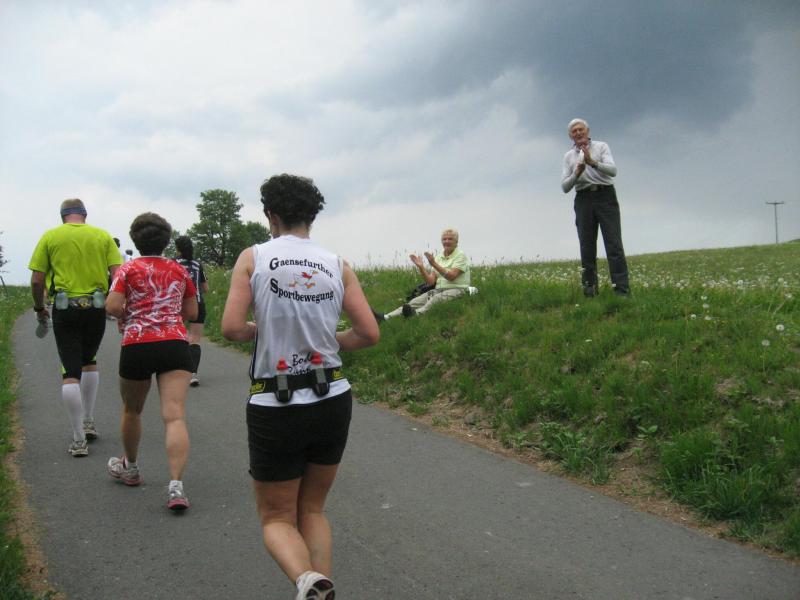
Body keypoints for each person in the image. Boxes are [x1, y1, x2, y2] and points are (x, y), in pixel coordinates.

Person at [221, 174, 379, 600]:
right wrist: (328, 341)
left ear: (271, 215)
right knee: (312, 509)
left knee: (277, 518)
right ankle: (320, 587)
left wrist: (259, 329)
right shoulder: (337, 264)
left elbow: (232, 328)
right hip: (332, 396)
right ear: (312, 215)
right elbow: (368, 333)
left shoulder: (254, 257)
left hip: (276, 401)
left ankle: (306, 580)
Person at [105, 213, 198, 511]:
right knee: (174, 415)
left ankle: (130, 468)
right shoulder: (179, 270)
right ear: (166, 241)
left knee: (132, 410)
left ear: (136, 240)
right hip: (174, 344)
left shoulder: (128, 269)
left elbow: (112, 306)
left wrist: (127, 315)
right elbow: (192, 312)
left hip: (137, 343)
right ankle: (176, 487)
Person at [28, 198, 122, 457]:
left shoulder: (50, 237)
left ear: (63, 217)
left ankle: (79, 439)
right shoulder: (102, 236)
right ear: (84, 215)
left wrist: (39, 308)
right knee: (89, 360)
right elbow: (118, 274)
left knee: (70, 370)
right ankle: (89, 420)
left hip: (64, 308)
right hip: (96, 307)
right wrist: (117, 305)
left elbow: (36, 280)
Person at [561, 118, 630, 297]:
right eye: (574, 131)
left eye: (581, 129)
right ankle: (590, 291)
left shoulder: (601, 147)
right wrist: (577, 173)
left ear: (587, 131)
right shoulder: (569, 156)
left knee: (614, 244)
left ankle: (621, 291)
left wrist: (592, 162)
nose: (578, 133)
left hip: (605, 195)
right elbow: (565, 187)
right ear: (570, 136)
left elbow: (613, 171)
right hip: (583, 199)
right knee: (587, 245)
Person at [372, 228, 471, 321]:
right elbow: (431, 281)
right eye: (444, 239)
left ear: (456, 241)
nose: (446, 241)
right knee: (414, 302)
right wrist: (421, 267)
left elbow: (452, 276)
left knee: (435, 299)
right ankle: (385, 318)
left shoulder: (460, 256)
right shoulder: (439, 257)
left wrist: (434, 264)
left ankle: (416, 314)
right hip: (439, 289)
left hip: (457, 289)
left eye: (450, 239)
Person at [174, 236, 208, 387]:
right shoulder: (197, 264)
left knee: (177, 336)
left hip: (178, 304)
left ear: (177, 248)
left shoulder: (172, 263)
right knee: (194, 338)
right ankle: (192, 374)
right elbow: (205, 288)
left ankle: (177, 370)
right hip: (198, 303)